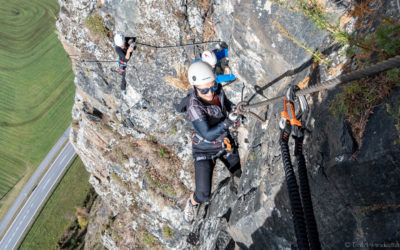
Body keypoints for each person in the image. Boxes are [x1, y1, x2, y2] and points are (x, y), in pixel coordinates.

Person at [183, 61, 241, 224]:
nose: (210, 93)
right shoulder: (194, 106)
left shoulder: (217, 89)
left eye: (212, 87)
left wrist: (235, 111)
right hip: (204, 149)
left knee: (239, 173)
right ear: (195, 88)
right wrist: (228, 122)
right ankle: (192, 202)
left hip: (224, 142)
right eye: (204, 90)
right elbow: (207, 134)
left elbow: (226, 104)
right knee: (203, 194)